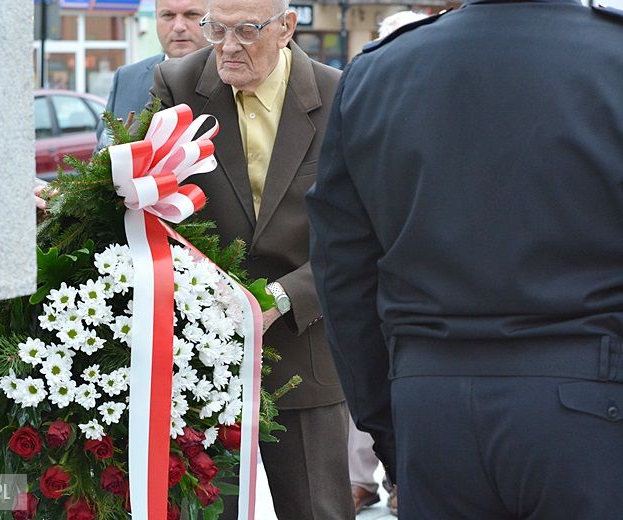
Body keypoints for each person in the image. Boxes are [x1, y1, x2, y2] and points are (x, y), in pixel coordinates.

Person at [307, 0, 623, 518]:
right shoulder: (613, 54)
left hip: (432, 404)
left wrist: (386, 423)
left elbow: (342, 271)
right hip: (588, 401)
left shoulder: (378, 71)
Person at [151, 0, 354, 518]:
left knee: (318, 510)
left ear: (287, 27)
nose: (228, 46)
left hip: (304, 346)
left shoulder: (341, 94)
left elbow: (363, 232)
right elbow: (143, 202)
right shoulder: (177, 84)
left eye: (246, 30)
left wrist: (283, 298)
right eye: (216, 29)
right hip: (199, 354)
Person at [345, 11, 426, 517]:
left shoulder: (439, 96)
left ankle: (406, 479)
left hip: (414, 275)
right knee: (362, 369)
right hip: (367, 265)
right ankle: (362, 477)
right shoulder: (364, 96)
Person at [94, 0, 208, 149]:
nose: (179, 26)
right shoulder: (126, 78)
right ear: (156, 18)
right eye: (168, 15)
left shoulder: (232, 78)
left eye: (192, 15)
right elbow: (101, 157)